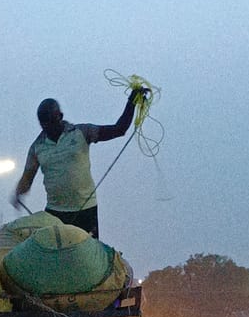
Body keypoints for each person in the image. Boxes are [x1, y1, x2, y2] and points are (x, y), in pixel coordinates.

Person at [12, 88, 148, 238]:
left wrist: (132, 102)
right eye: (44, 125)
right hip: (55, 213)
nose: (48, 128)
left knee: (88, 251)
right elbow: (27, 178)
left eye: (51, 123)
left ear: (60, 116)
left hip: (86, 210)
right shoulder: (36, 147)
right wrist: (18, 193)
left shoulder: (82, 132)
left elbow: (119, 129)